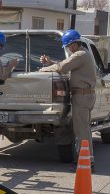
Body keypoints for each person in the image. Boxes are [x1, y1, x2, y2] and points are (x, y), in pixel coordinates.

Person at [39, 30, 96, 159]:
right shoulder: (82, 54)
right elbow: (65, 64)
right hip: (85, 96)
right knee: (83, 129)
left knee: (81, 130)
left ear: (74, 45)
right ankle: (86, 158)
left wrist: (44, 69)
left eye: (68, 46)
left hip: (82, 96)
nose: (68, 49)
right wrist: (50, 63)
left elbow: (61, 67)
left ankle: (87, 160)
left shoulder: (79, 55)